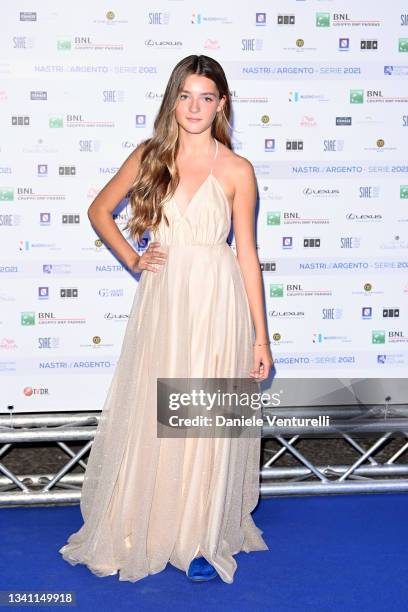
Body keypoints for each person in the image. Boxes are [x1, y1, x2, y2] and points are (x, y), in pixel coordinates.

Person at [59, 54, 273, 584]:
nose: (195, 106)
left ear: (222, 104)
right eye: (186, 95)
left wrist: (261, 336)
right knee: (158, 413)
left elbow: (246, 252)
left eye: (207, 97)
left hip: (219, 303)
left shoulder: (238, 170)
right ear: (172, 100)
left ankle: (199, 537)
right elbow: (99, 211)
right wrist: (134, 259)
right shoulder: (151, 155)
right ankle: (145, 521)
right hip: (166, 301)